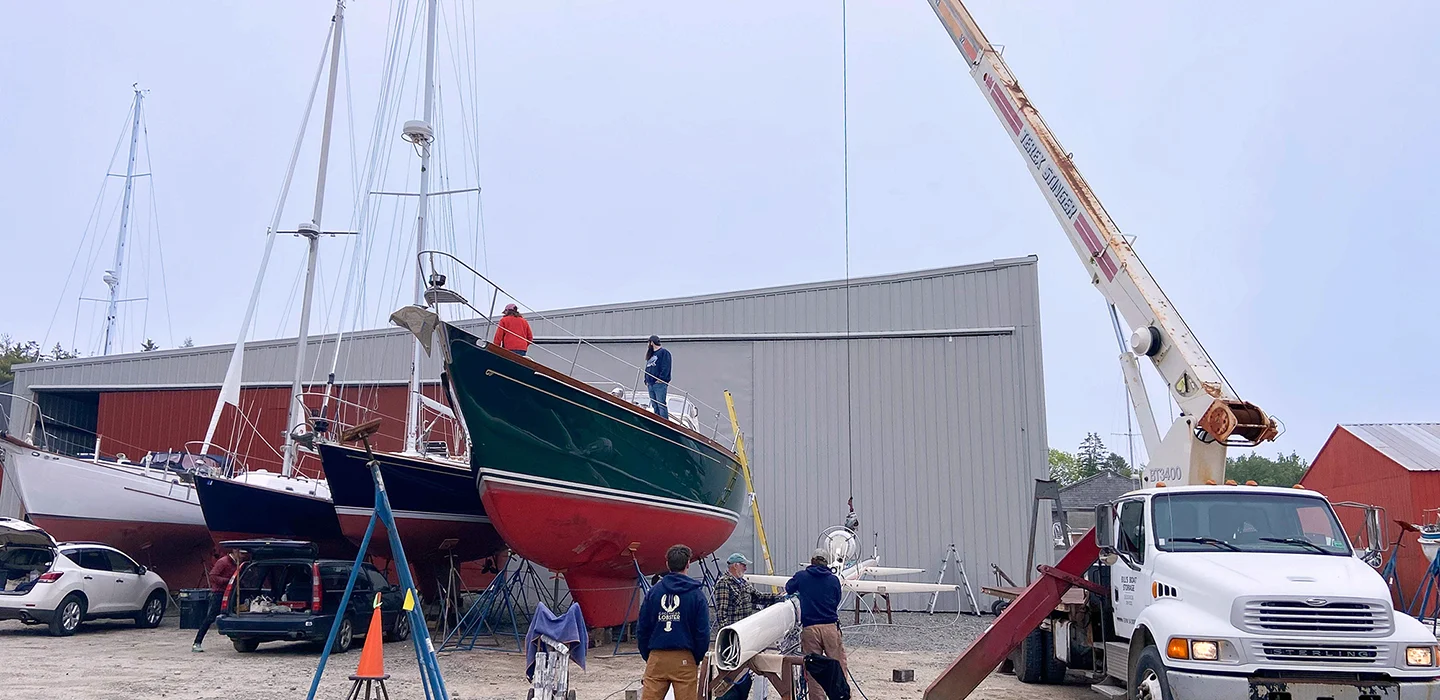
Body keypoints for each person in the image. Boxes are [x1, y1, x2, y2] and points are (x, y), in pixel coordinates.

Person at [637, 544, 710, 700]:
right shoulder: (697, 595)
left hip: (657, 657)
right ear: (688, 563)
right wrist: (695, 658)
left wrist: (648, 655)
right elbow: (702, 632)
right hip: (685, 657)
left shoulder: (653, 593)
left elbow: (642, 628)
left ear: (667, 563)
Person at [786, 548, 847, 689]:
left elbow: (789, 588)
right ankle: (841, 695)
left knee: (814, 670)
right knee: (837, 667)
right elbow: (836, 599)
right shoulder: (834, 580)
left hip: (810, 629)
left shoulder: (802, 576)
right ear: (826, 563)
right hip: (830, 628)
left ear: (812, 561)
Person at [192, 548, 248, 652]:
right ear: (235, 551)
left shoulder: (237, 563)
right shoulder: (223, 562)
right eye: (241, 554)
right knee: (210, 617)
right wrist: (230, 581)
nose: (243, 556)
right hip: (219, 593)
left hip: (231, 593)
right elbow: (213, 576)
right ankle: (197, 642)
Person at [714, 553, 782, 631]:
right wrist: (726, 632)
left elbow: (758, 597)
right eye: (744, 565)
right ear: (735, 566)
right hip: (735, 630)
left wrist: (777, 597)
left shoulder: (743, 582)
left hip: (746, 628)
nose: (745, 568)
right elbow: (721, 612)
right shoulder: (724, 583)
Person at [644, 335, 672, 418]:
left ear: (651, 343)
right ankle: (657, 420)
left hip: (659, 384)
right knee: (654, 405)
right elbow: (648, 367)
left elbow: (666, 366)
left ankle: (664, 422)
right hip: (650, 383)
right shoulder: (651, 355)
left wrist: (662, 378)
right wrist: (646, 380)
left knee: (661, 404)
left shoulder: (664, 353)